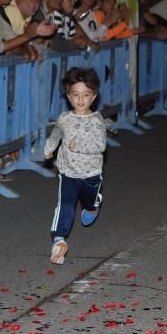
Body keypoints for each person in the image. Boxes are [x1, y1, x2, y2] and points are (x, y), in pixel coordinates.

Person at [44, 68, 107, 265]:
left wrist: (79, 146)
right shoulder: (64, 118)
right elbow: (56, 133)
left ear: (94, 96)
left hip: (91, 173)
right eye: (75, 95)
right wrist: (50, 147)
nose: (80, 100)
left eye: (86, 95)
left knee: (87, 204)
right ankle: (59, 239)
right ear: (68, 96)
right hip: (68, 172)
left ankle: (93, 203)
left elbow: (100, 146)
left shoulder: (96, 121)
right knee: (66, 205)